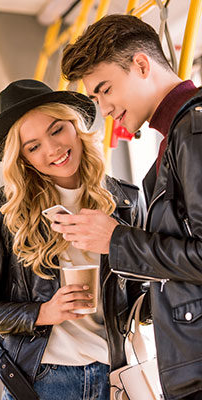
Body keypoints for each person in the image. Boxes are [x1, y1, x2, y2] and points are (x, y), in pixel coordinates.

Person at [0, 79, 146, 400]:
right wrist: (43, 313)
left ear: (76, 127)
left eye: (57, 130)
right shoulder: (6, 210)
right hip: (44, 379)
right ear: (23, 158)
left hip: (115, 374)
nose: (52, 149)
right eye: (33, 146)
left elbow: (142, 294)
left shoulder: (125, 201)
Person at [56, 14, 202, 400]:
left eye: (105, 90)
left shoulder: (193, 132)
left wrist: (117, 240)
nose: (104, 109)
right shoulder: (177, 136)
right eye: (95, 98)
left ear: (141, 65)